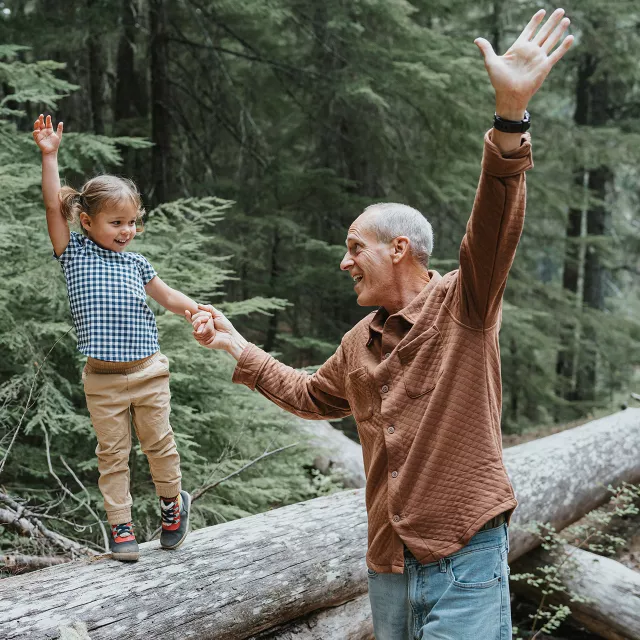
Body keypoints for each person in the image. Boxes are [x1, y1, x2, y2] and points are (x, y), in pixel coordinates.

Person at [187, 9, 573, 639]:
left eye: (353, 248)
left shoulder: (464, 304)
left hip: (464, 556)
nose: (344, 262)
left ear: (398, 249)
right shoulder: (357, 345)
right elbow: (313, 397)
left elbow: (494, 222)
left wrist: (509, 118)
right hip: (388, 567)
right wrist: (237, 345)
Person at [33, 115, 201, 562]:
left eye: (133, 222)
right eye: (117, 222)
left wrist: (196, 310)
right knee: (113, 454)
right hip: (102, 380)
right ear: (86, 222)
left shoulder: (136, 263)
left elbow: (167, 297)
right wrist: (50, 155)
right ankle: (120, 525)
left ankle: (172, 506)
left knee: (159, 444)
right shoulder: (73, 254)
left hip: (148, 370)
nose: (127, 230)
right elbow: (53, 207)